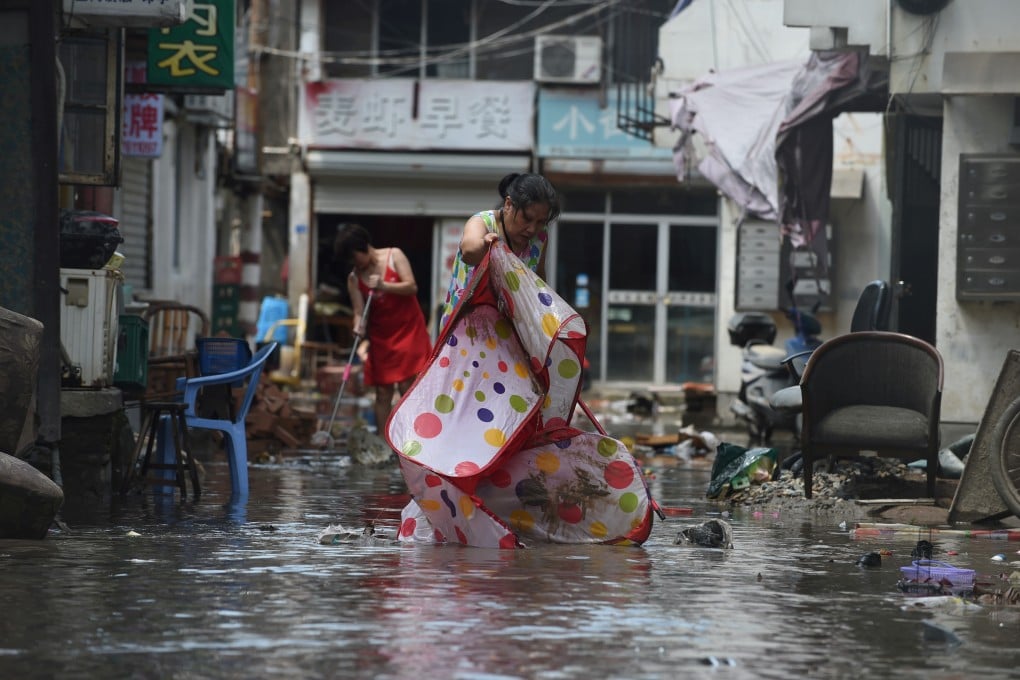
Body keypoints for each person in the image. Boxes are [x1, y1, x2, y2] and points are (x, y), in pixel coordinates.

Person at [334, 223, 431, 430]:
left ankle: (411, 441)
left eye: (354, 257)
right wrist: (358, 326)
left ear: (364, 247)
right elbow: (360, 312)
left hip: (408, 330)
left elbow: (412, 287)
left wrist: (383, 286)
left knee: (407, 386)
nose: (354, 263)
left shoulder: (394, 256)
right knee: (383, 391)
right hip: (382, 337)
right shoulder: (354, 278)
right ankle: (384, 444)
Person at [438, 172, 560, 332]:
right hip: (466, 334)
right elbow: (469, 251)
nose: (532, 229)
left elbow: (539, 278)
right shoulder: (483, 222)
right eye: (527, 218)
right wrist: (486, 244)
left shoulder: (540, 237)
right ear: (508, 204)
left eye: (540, 222)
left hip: (510, 334)